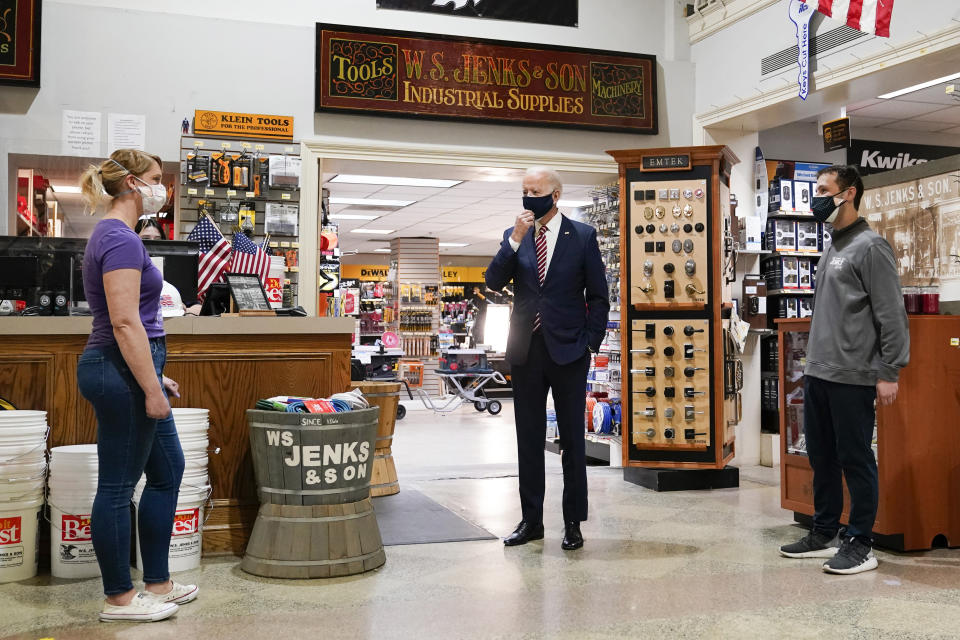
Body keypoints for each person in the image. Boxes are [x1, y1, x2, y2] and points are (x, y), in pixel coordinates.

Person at [77, 149, 198, 622]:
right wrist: (149, 387)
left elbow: (130, 323)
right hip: (118, 370)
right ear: (130, 182)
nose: (161, 188)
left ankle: (159, 584)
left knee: (168, 470)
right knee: (116, 486)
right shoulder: (121, 239)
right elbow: (125, 322)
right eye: (154, 179)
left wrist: (155, 375)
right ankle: (119, 600)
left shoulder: (118, 235)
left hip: (127, 366)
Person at [779, 165, 909, 575]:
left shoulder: (871, 247)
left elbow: (891, 315)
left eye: (822, 190)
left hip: (852, 376)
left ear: (848, 194)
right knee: (822, 456)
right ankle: (824, 532)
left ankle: (860, 543)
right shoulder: (832, 246)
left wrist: (890, 371)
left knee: (855, 458)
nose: (815, 198)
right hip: (818, 372)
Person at [485, 167, 609, 551]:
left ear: (555, 196)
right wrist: (515, 240)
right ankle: (531, 521)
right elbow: (492, 281)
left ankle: (573, 522)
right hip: (526, 349)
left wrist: (591, 342)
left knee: (572, 439)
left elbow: (599, 296)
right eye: (523, 190)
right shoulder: (515, 236)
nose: (527, 197)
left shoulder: (583, 236)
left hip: (570, 350)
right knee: (528, 438)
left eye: (534, 191)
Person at [135, 218, 202, 316]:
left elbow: (198, 308)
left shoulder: (175, 270)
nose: (152, 244)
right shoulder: (128, 269)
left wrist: (182, 308)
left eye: (157, 240)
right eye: (146, 239)